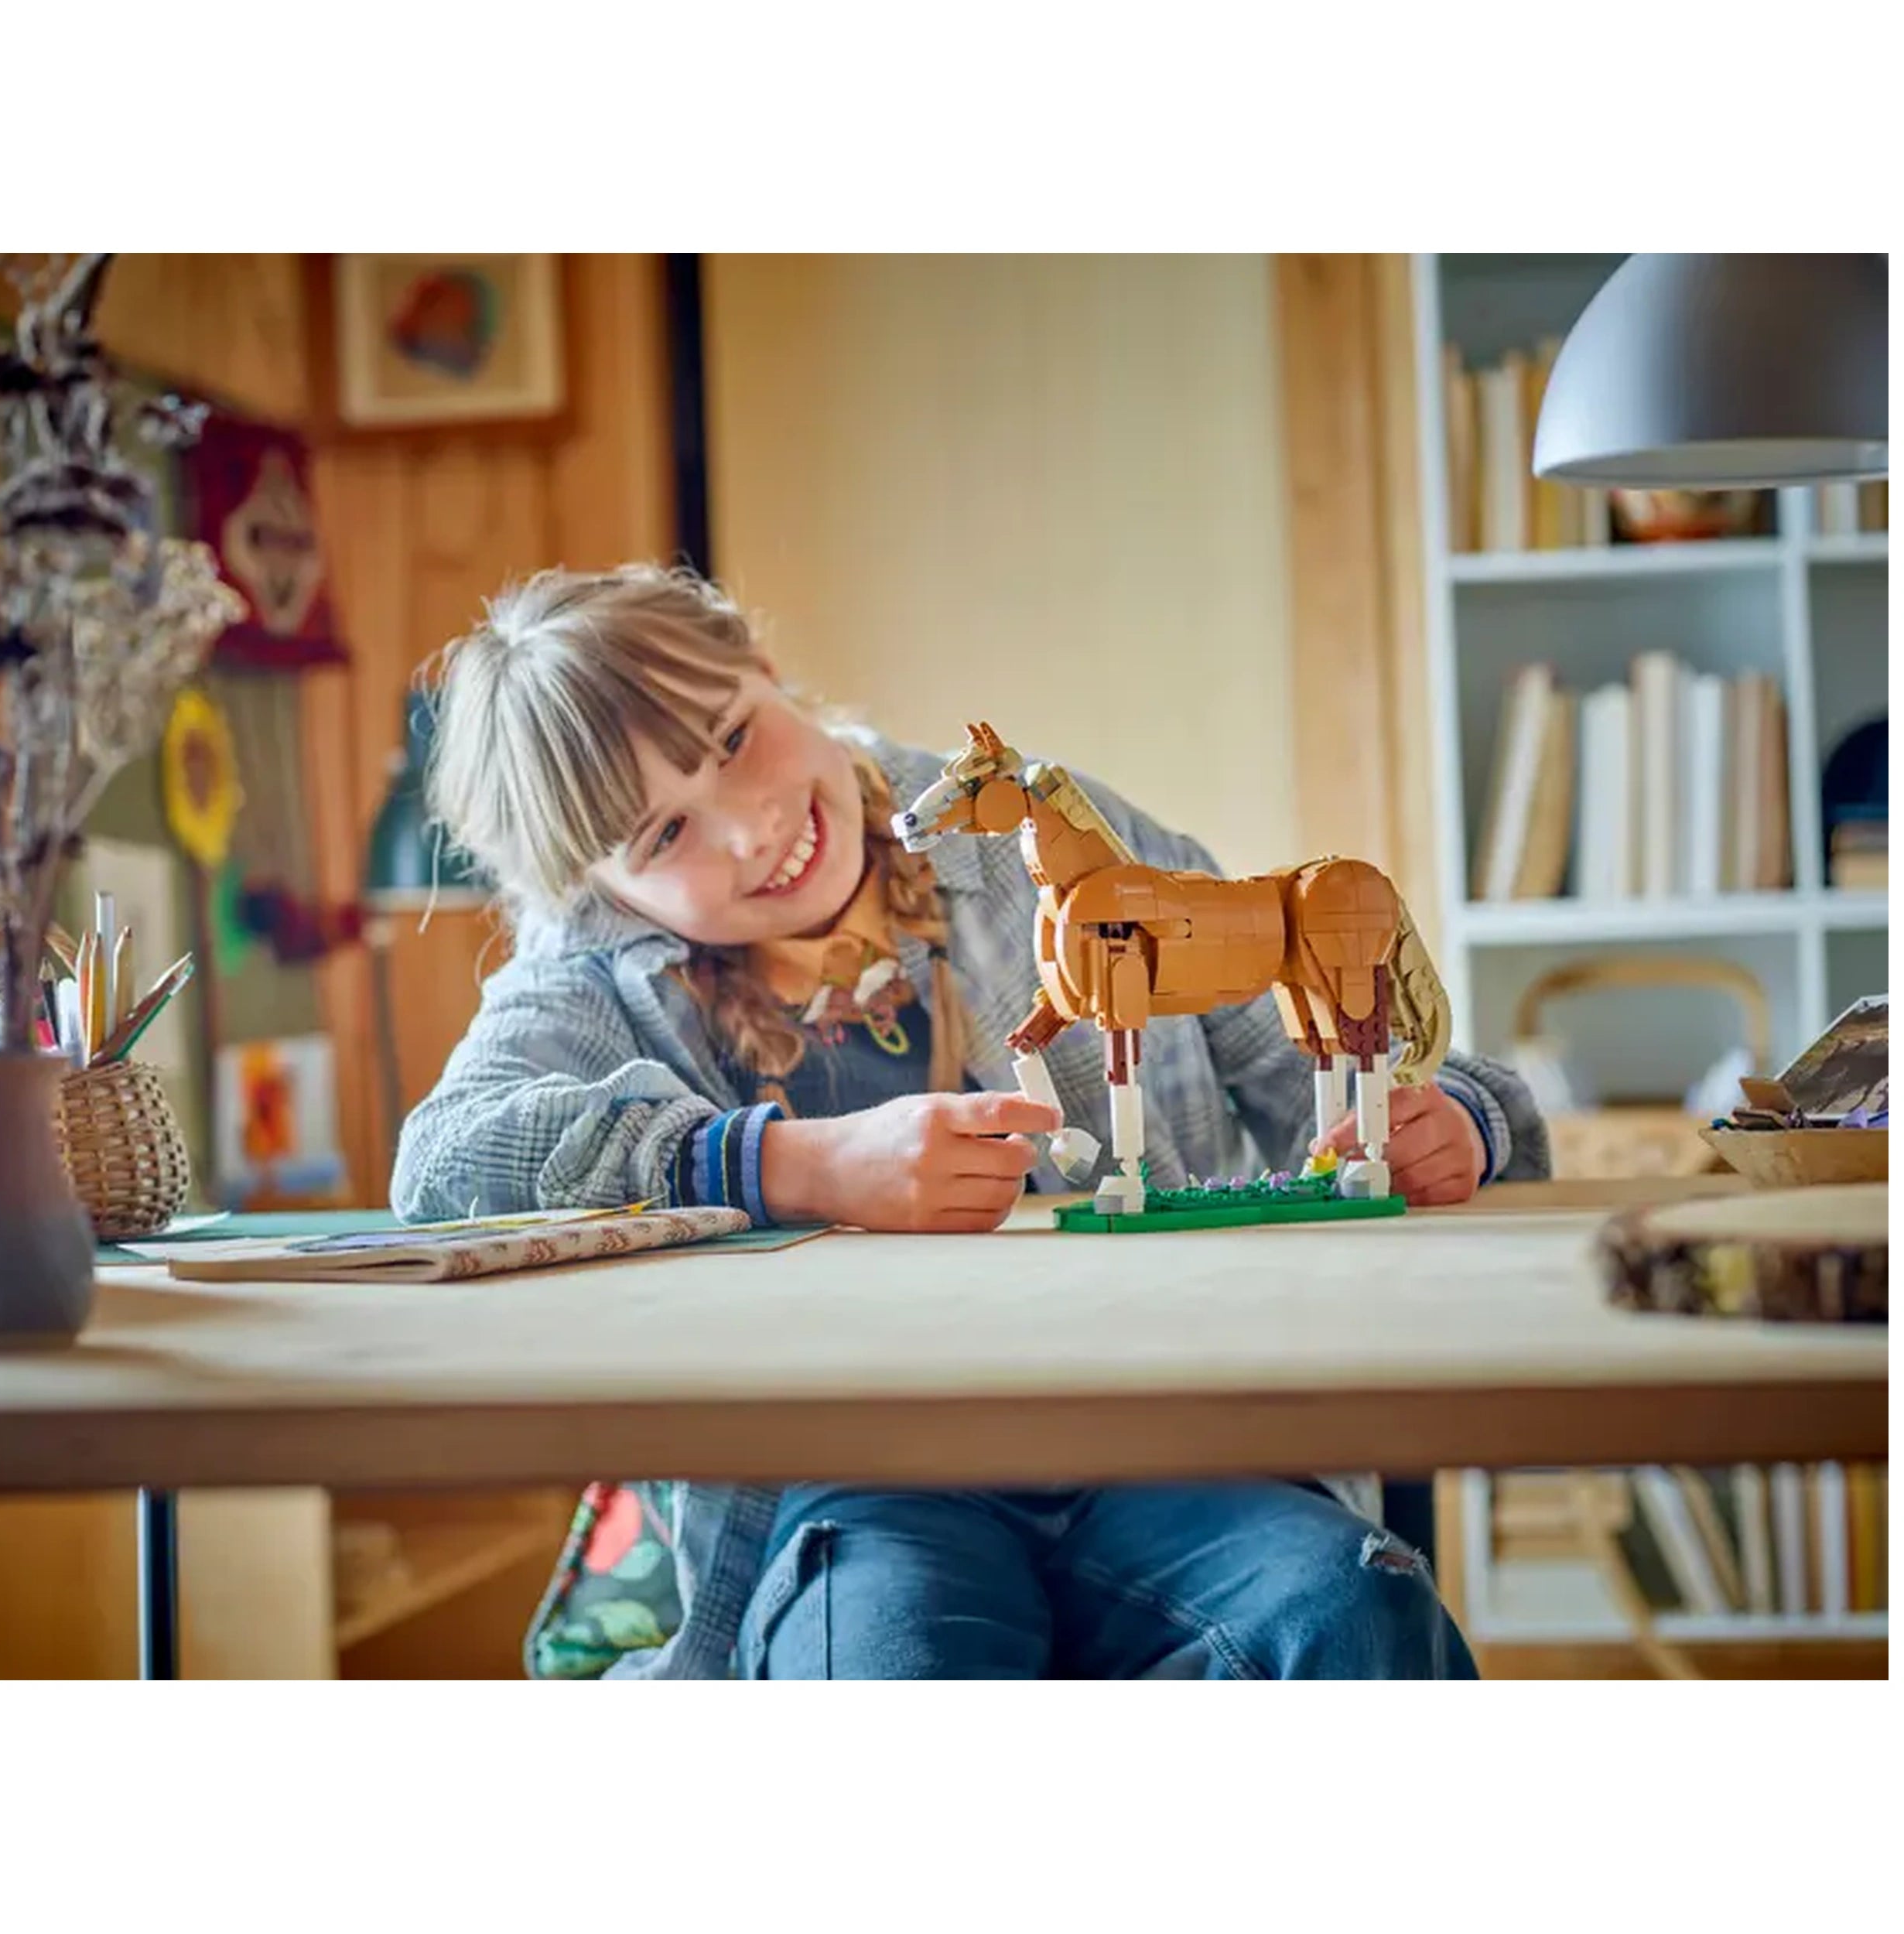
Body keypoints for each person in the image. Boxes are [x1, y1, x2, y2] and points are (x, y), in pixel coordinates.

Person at [398, 563, 1550, 1679]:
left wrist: (1456, 1120)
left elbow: (1356, 1067)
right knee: (886, 1665)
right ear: (602, 894)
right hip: (855, 1487)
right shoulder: (595, 975)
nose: (748, 830)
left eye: (736, 739)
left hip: (1168, 1440)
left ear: (762, 662)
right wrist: (795, 1163)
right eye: (663, 838)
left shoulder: (1038, 833)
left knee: (1351, 1609)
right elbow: (445, 1161)